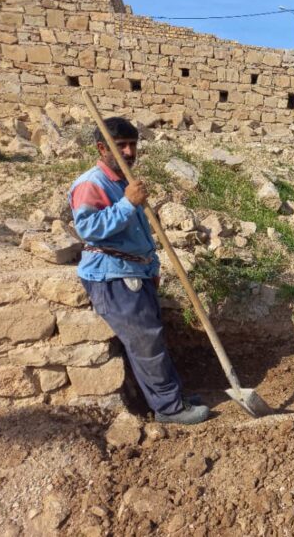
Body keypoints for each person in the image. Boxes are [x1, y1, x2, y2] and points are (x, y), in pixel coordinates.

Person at [69, 117, 209, 425]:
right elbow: (88, 229)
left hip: (135, 272)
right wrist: (127, 204)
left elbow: (139, 233)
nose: (130, 152)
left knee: (153, 340)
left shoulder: (123, 182)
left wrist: (152, 267)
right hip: (113, 277)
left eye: (133, 145)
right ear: (102, 147)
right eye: (121, 147)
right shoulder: (91, 184)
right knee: (146, 344)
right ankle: (169, 409)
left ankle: (173, 397)